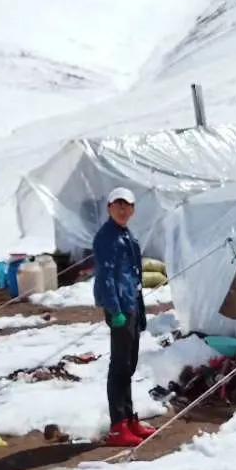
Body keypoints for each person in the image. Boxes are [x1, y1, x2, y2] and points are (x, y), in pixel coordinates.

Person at [93, 187, 154, 448]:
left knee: (128, 365)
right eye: (118, 204)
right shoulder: (107, 237)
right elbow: (106, 278)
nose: (122, 209)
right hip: (118, 307)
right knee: (119, 367)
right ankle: (118, 426)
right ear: (109, 207)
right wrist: (114, 310)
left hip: (130, 305)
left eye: (127, 205)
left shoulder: (125, 235)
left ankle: (129, 420)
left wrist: (138, 310)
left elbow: (133, 277)